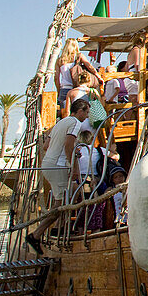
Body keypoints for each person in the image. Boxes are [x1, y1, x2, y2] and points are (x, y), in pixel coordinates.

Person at [27, 98, 90, 253]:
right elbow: (69, 144)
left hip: (48, 164)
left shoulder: (60, 123)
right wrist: (71, 164)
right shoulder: (75, 123)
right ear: (80, 111)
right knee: (60, 204)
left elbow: (46, 146)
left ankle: (58, 228)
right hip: (58, 166)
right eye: (87, 112)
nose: (87, 116)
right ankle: (36, 235)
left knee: (69, 194)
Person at [55, 39, 100, 113]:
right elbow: (90, 67)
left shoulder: (60, 60)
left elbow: (56, 78)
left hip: (64, 88)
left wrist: (59, 91)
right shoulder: (78, 56)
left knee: (65, 113)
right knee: (81, 112)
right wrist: (98, 76)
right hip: (77, 88)